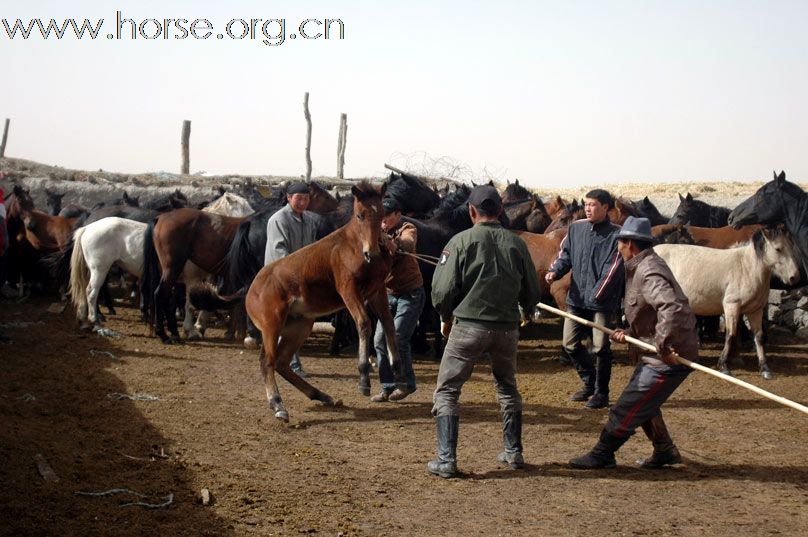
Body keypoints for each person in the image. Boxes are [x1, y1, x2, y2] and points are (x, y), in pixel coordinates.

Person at [427, 185, 541, 478]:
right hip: (506, 329)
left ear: (471, 211)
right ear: (501, 211)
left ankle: (446, 459)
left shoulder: (460, 241)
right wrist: (526, 311)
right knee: (507, 386)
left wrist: (445, 313)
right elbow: (532, 288)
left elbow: (442, 289)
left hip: (469, 326)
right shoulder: (517, 244)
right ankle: (514, 452)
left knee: (448, 390)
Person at [569, 216, 699, 469]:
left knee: (627, 406)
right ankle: (664, 450)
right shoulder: (641, 266)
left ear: (630, 244)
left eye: (620, 243)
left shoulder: (648, 270)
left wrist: (663, 345)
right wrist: (628, 332)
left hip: (668, 357)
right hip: (656, 351)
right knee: (645, 403)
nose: (617, 248)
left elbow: (671, 308)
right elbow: (649, 313)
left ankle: (603, 454)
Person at [545, 189, 623, 409]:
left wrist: (597, 294)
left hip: (602, 302)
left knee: (600, 348)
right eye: (586, 204)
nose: (588, 208)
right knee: (569, 344)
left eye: (593, 205)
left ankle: (602, 393)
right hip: (577, 300)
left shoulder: (616, 235)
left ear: (606, 207)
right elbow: (565, 255)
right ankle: (590, 382)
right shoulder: (576, 229)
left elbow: (613, 268)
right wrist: (555, 271)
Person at [370, 197, 426, 403]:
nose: (383, 222)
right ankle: (387, 386)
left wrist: (394, 243)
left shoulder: (408, 228)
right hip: (387, 295)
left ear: (397, 215)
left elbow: (408, 243)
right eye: (380, 219)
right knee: (378, 341)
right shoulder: (376, 233)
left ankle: (406, 384)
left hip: (410, 294)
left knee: (399, 338)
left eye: (386, 218)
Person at [264, 181, 320, 377]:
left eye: (306, 199)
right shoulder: (278, 220)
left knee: (296, 322)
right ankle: (289, 366)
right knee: (283, 322)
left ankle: (288, 364)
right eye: (298, 198)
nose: (302, 202)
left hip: (300, 280)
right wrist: (295, 275)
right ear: (289, 198)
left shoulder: (310, 220)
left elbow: (312, 250)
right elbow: (280, 253)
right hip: (280, 280)